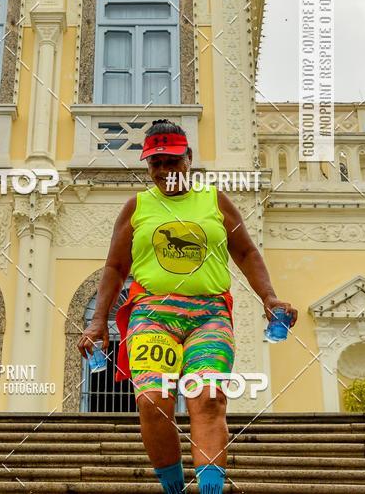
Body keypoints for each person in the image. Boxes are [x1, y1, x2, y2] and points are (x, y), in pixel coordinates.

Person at [78, 118, 298, 494]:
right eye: (156, 163)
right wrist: (98, 321)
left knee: (208, 399)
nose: (165, 171)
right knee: (152, 401)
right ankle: (174, 487)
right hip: (152, 314)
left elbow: (245, 252)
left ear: (189, 159)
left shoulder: (215, 201)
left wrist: (269, 297)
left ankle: (210, 490)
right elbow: (115, 267)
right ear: (148, 166)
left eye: (172, 161)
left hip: (209, 315)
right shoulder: (137, 207)